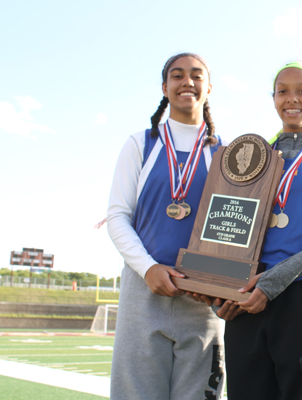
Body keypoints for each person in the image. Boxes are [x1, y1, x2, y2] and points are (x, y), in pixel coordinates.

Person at [217, 61, 302, 400]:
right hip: (247, 295)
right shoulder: (251, 155)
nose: (292, 99)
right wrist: (220, 290)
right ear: (273, 99)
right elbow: (225, 229)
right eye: (283, 91)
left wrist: (274, 282)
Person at [107, 53, 226, 400]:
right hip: (144, 293)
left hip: (202, 299)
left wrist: (220, 282)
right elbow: (117, 216)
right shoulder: (140, 144)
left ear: (209, 88)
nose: (187, 82)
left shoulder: (226, 153)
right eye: (177, 75)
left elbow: (234, 230)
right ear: (165, 87)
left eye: (196, 75)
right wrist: (148, 269)